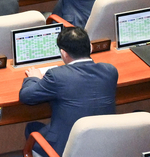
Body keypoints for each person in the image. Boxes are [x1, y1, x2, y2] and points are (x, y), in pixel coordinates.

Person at [19, 26, 118, 157]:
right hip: (102, 145)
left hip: (65, 150)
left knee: (32, 128)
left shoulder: (57, 76)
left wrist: (33, 78)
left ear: (64, 53)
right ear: (91, 47)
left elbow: (26, 96)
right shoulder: (110, 71)